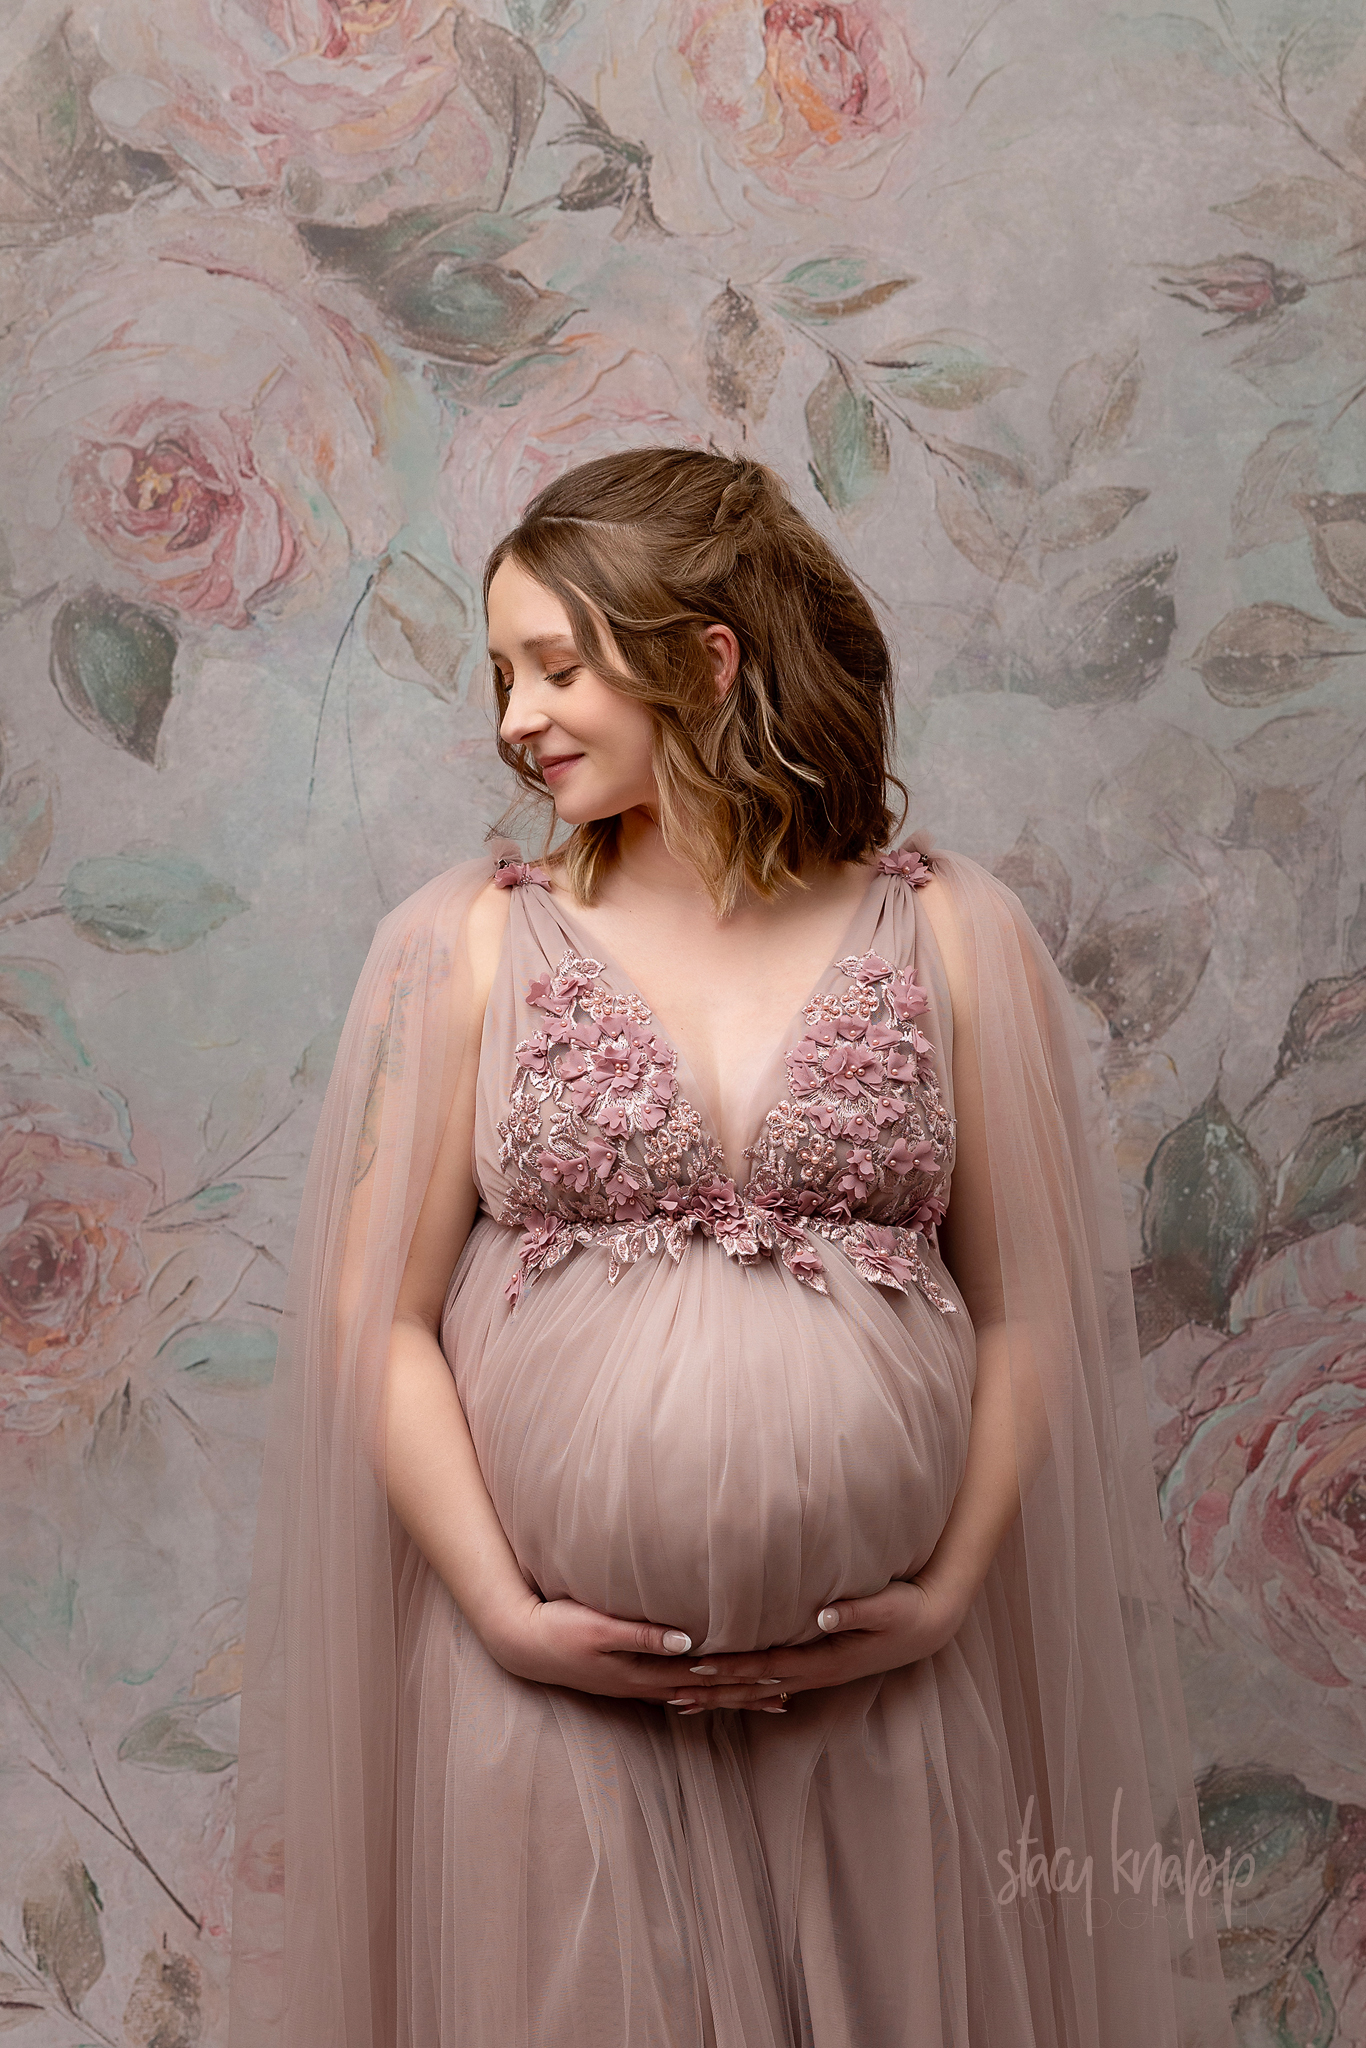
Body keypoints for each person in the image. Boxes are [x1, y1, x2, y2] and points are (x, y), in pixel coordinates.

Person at [229, 449, 1234, 2047]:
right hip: (548, 1709)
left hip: (876, 1703)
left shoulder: (948, 932)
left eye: (557, 668)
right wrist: (502, 1614)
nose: (515, 718)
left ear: (706, 659)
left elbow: (1028, 1310)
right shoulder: (467, 944)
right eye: (501, 676)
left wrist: (944, 1597)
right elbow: (378, 1323)